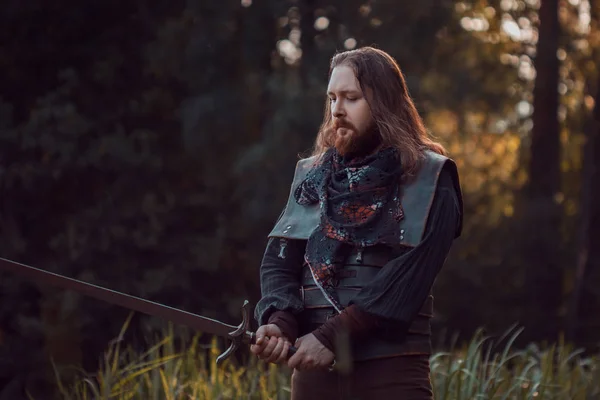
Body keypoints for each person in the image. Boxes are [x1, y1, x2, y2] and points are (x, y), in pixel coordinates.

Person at [250, 46, 463, 399]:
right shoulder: (313, 177)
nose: (336, 110)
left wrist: (332, 337)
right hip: (313, 378)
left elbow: (408, 278)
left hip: (390, 377)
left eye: (351, 98)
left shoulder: (430, 178)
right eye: (332, 98)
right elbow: (279, 262)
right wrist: (279, 323)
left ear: (384, 103)